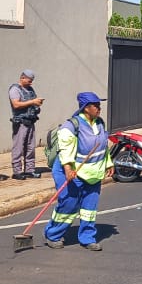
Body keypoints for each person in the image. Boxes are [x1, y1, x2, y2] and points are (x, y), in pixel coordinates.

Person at [44, 92, 114, 250]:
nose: (99, 107)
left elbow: (103, 146)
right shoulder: (71, 126)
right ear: (85, 108)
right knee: (69, 204)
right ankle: (53, 235)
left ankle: (87, 238)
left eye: (99, 104)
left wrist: (108, 163)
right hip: (71, 171)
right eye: (95, 105)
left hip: (93, 174)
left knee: (89, 207)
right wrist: (68, 169)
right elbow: (65, 151)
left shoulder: (100, 123)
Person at [8, 69, 44, 179]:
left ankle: (29, 170)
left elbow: (33, 103)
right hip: (21, 123)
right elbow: (16, 104)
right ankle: (17, 171)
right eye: (29, 80)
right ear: (22, 78)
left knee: (30, 148)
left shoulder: (30, 90)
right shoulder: (15, 89)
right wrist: (33, 102)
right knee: (18, 148)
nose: (31, 83)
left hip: (31, 121)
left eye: (32, 81)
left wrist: (37, 106)